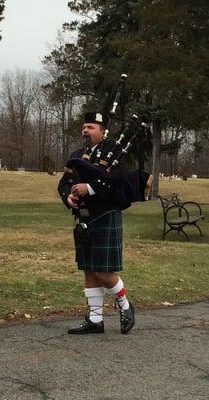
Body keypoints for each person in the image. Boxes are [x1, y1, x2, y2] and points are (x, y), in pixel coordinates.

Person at [58, 111, 135, 335]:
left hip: (105, 215)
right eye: (84, 127)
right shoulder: (77, 155)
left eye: (91, 127)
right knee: (89, 270)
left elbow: (119, 180)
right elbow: (64, 183)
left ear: (102, 131)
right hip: (83, 217)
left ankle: (126, 305)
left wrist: (89, 188)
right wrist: (68, 197)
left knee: (102, 271)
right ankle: (95, 320)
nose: (86, 131)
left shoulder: (114, 152)